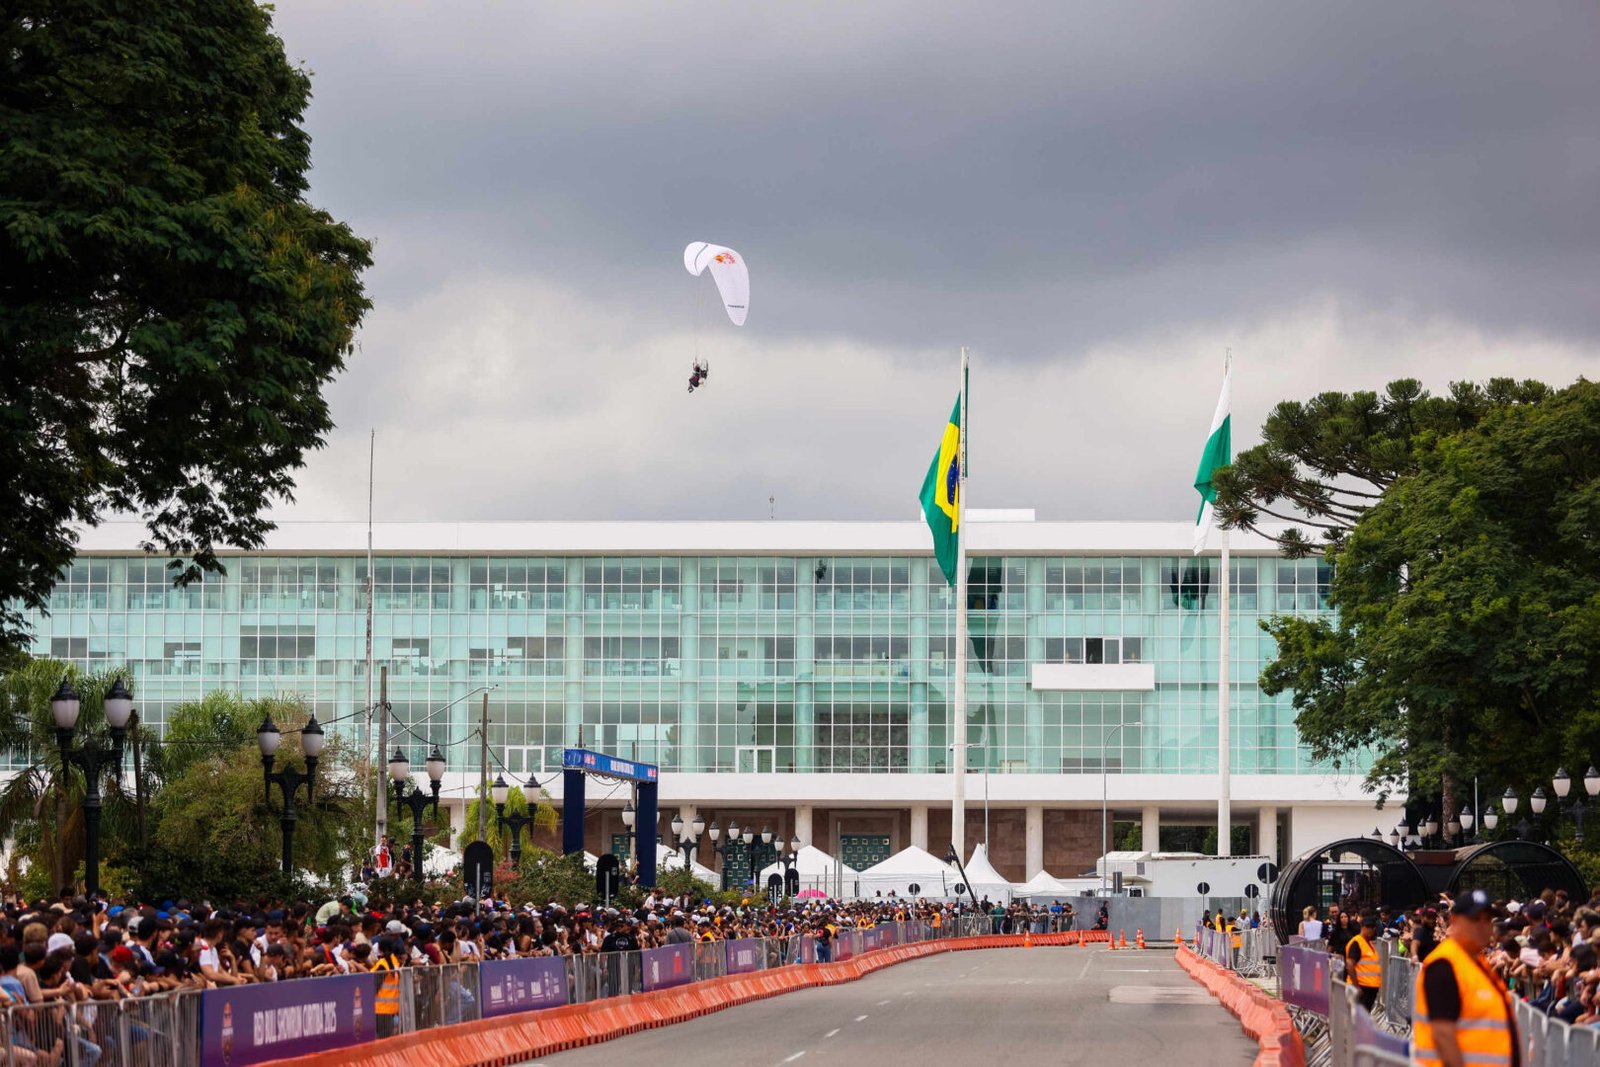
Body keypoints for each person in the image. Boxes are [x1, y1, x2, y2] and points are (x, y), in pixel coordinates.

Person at [1412, 889, 1517, 1067]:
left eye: (1487, 920)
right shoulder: (1444, 966)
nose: (1482, 926)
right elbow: (1443, 1034)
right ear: (1454, 920)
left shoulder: (1476, 962)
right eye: (1475, 919)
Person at [1345, 913, 1381, 1011]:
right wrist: (1356, 986)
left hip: (1368, 988)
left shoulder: (1368, 943)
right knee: (1358, 1017)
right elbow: (1350, 964)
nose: (1370, 929)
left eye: (1372, 927)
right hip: (1361, 988)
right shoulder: (1357, 942)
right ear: (1362, 927)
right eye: (1368, 926)